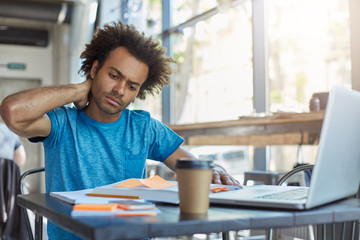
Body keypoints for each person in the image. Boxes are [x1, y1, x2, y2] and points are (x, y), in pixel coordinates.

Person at [0, 21, 240, 239]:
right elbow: (12, 111)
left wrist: (215, 169)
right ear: (95, 69)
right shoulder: (62, 123)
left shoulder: (143, 127)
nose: (120, 90)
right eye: (114, 75)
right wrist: (79, 90)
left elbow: (190, 166)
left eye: (132, 86)